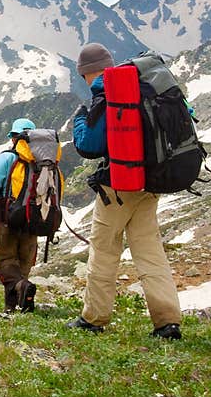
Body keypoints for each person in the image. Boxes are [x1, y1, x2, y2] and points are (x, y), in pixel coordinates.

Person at [69, 43, 183, 339]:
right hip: (149, 182)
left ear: (83, 73)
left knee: (104, 249)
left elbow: (89, 145)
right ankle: (167, 321)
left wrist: (80, 120)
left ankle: (94, 318)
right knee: (149, 250)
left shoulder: (107, 93)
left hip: (118, 187)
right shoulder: (141, 85)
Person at [0, 118, 39, 313]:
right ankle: (14, 305)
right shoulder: (42, 160)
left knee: (4, 261)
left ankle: (21, 289)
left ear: (13, 137)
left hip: (8, 217)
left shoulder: (7, 158)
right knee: (23, 261)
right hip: (34, 219)